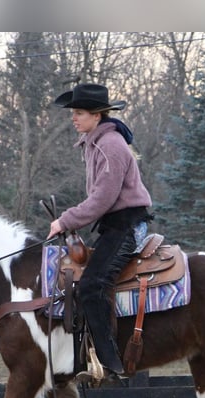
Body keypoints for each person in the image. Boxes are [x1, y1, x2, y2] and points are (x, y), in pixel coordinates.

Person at [47, 83, 153, 376]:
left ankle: (110, 363)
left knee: (93, 285)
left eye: (79, 112)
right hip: (115, 225)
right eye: (73, 113)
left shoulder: (110, 145)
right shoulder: (95, 143)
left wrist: (65, 221)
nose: (73, 118)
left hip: (127, 225)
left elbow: (102, 199)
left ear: (96, 115)